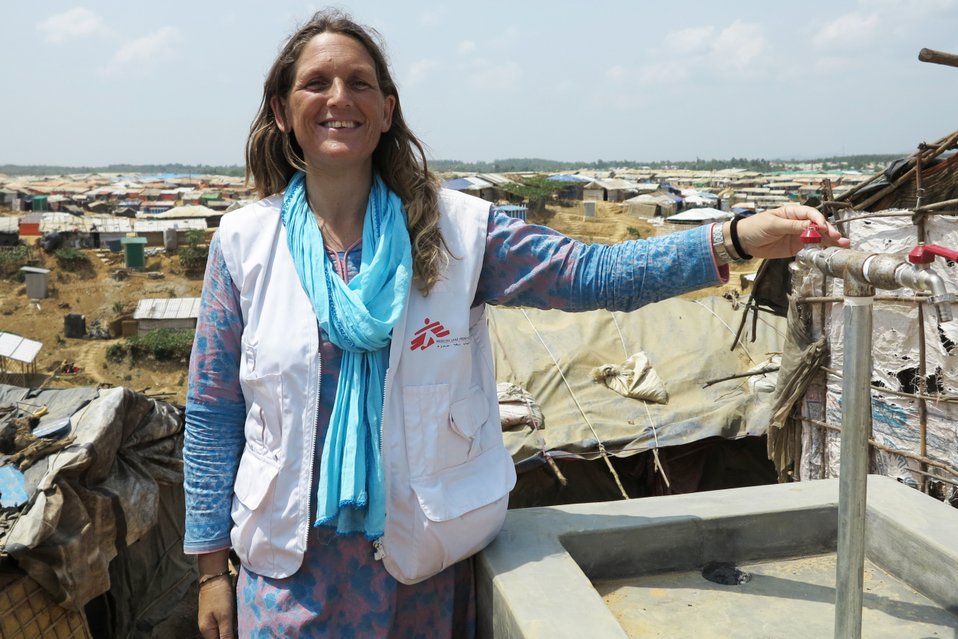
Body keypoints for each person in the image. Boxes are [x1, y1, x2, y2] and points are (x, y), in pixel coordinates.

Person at [183, 9, 849, 639]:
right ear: (281, 109)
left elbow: (593, 274)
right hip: (289, 569)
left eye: (360, 83)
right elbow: (213, 411)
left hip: (420, 565)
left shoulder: (459, 234)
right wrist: (212, 569)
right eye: (315, 82)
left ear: (386, 111)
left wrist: (732, 239)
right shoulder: (244, 245)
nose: (339, 98)